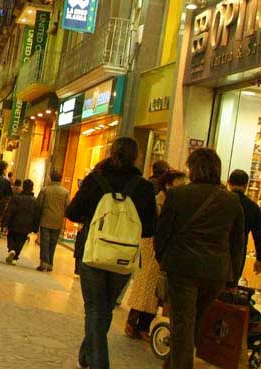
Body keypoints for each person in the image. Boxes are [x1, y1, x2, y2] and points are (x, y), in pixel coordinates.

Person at [64, 137, 157, 369]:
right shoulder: (143, 187)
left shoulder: (95, 180)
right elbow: (149, 228)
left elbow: (72, 212)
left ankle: (98, 363)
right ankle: (86, 357)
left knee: (96, 308)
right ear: (137, 157)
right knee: (103, 308)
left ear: (111, 152)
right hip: (124, 257)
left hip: (93, 252)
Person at [155, 148, 244, 369]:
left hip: (183, 269)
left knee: (183, 323)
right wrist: (233, 277)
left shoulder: (177, 195)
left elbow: (162, 232)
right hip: (215, 273)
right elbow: (237, 243)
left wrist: (162, 258)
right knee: (192, 322)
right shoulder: (232, 201)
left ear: (193, 168)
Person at [124, 170, 188, 340]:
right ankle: (132, 323)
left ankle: (144, 325)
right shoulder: (159, 200)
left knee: (155, 290)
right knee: (143, 285)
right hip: (151, 245)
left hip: (164, 247)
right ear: (169, 184)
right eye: (180, 182)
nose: (184, 185)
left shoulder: (177, 202)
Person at [227, 169, 261, 278]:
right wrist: (260, 259)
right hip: (238, 251)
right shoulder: (253, 207)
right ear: (246, 185)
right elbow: (258, 235)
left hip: (217, 247)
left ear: (229, 183)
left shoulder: (221, 201)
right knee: (231, 284)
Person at [35, 170, 69, 272]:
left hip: (45, 219)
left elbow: (39, 204)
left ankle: (44, 263)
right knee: (53, 243)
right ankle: (50, 264)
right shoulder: (65, 192)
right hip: (58, 221)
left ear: (50, 178)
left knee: (45, 241)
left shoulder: (45, 190)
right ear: (61, 179)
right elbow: (68, 206)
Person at [3, 179, 39, 265]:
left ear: (23, 187)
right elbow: (36, 215)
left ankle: (11, 249)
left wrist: (5, 222)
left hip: (14, 222)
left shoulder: (16, 197)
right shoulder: (34, 200)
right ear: (32, 188)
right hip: (27, 224)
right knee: (21, 240)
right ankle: (15, 257)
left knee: (11, 236)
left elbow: (10, 211)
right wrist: (35, 227)